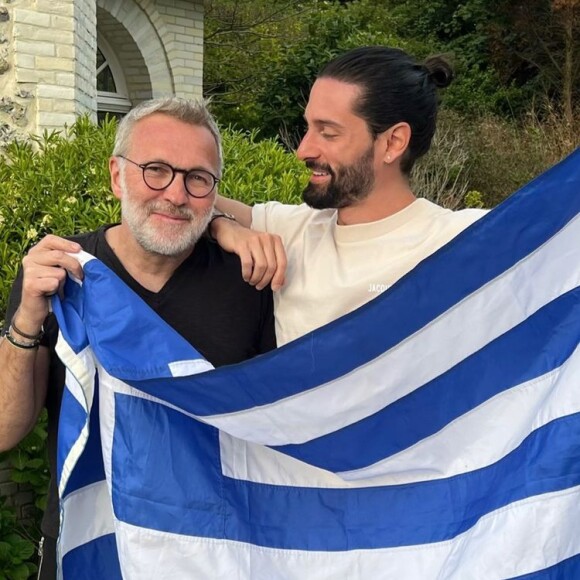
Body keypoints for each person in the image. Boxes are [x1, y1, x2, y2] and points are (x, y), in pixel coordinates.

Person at [0, 97, 276, 579]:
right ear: (116, 176)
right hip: (90, 542)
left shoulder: (248, 284)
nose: (175, 194)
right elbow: (4, 429)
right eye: (155, 170)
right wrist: (27, 318)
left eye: (197, 178)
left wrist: (229, 226)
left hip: (209, 551)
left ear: (213, 193)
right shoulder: (58, 271)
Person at [211, 46, 489, 345]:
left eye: (328, 133)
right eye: (308, 128)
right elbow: (188, 199)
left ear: (393, 143)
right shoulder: (294, 230)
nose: (303, 150)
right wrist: (222, 225)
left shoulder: (457, 240)